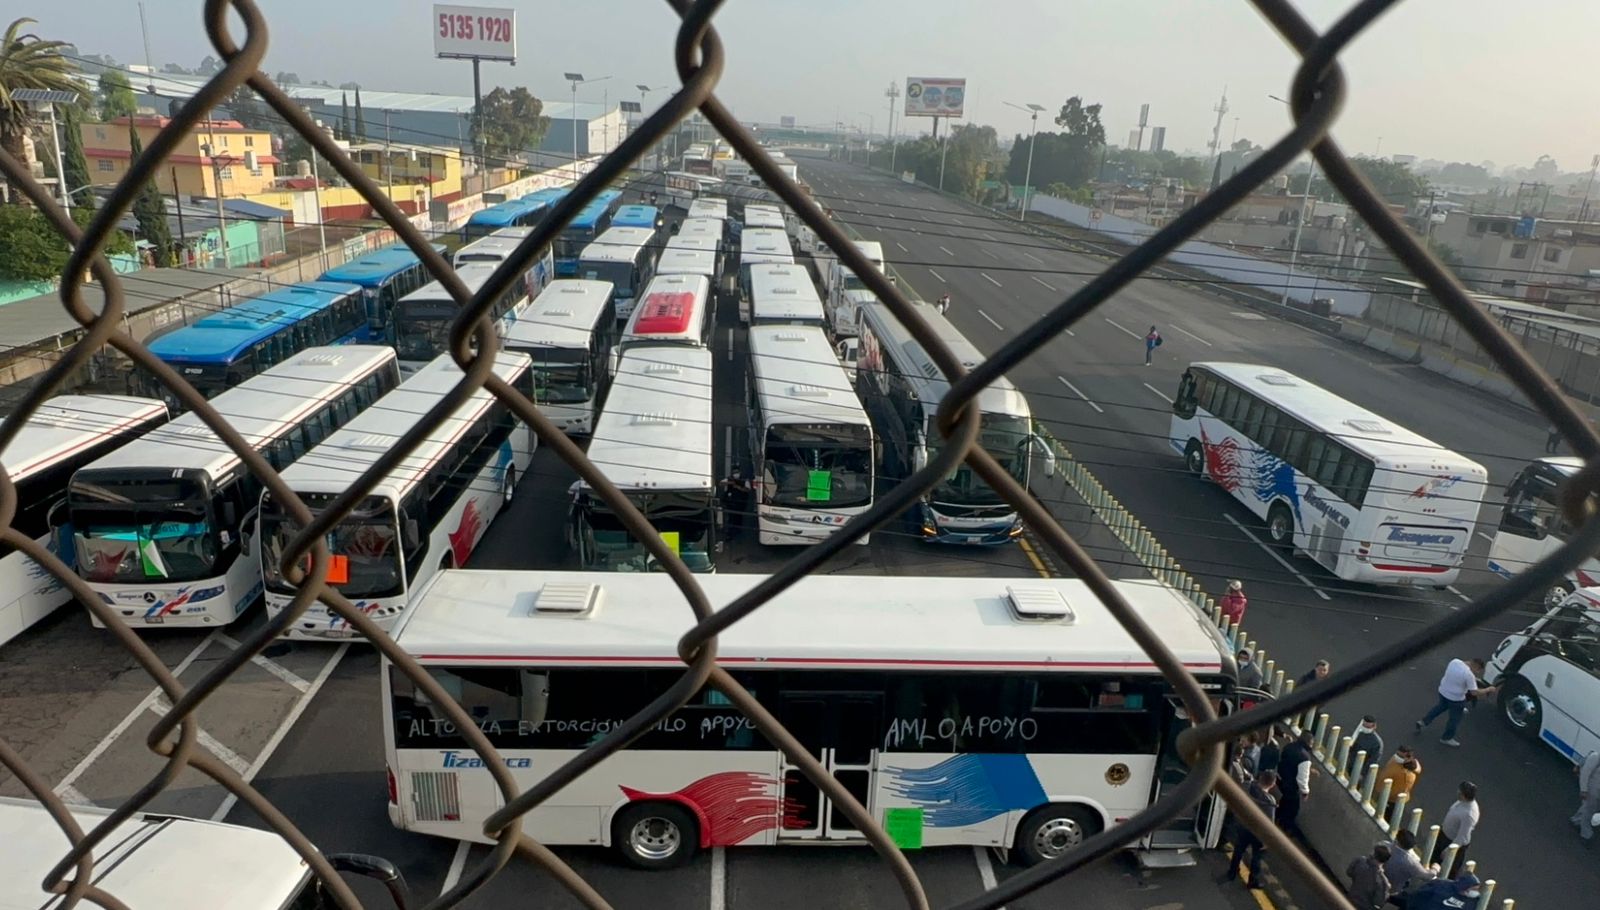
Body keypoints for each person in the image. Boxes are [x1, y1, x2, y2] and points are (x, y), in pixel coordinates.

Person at [1415, 657, 1497, 747]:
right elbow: (1474, 692)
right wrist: (1488, 689)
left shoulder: (1455, 662)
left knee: (1439, 707)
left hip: (1443, 691)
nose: (1476, 673)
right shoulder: (1469, 675)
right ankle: (1446, 738)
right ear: (1476, 666)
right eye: (1477, 670)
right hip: (1455, 699)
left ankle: (1424, 721)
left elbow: (1458, 676)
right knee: (1454, 719)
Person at [1225, 769, 1278, 888]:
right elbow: (1269, 823)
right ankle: (1252, 880)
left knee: (1239, 849)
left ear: (1260, 777)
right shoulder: (1270, 801)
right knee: (1257, 856)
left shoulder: (1247, 786)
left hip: (1242, 825)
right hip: (1257, 832)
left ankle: (1232, 872)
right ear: (1273, 784)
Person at [1431, 781, 1479, 878]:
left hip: (1452, 843)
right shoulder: (1461, 802)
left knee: (1449, 870)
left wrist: (1449, 850)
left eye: (1459, 791)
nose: (1457, 792)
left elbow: (1462, 836)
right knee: (1434, 861)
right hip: (1444, 836)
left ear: (1463, 795)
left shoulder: (1469, 814)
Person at [1276, 730, 1316, 839]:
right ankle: (1284, 828)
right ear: (1309, 743)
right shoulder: (1305, 758)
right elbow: (1302, 778)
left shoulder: (1290, 746)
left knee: (1285, 801)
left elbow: (1287, 760)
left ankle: (1276, 816)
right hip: (1290, 785)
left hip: (1280, 778)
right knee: (1293, 808)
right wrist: (1305, 791)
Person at [1382, 828, 1435, 906]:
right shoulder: (1410, 862)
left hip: (1375, 881)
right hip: (1392, 891)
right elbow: (1427, 876)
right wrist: (1435, 869)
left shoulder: (1383, 845)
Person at [1346, 844, 1392, 910]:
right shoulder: (1382, 881)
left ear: (1373, 853)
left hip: (1350, 898)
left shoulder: (1360, 860)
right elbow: (1378, 902)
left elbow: (1349, 872)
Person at [1377, 747, 1421, 815]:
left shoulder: (1406, 774)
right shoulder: (1396, 761)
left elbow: (1399, 790)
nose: (1397, 756)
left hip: (1392, 799)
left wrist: (1385, 795)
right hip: (1388, 794)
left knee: (1387, 814)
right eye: (1397, 754)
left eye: (1400, 756)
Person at [1406, 872, 1481, 910]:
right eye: (1474, 889)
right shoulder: (1440, 885)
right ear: (1465, 888)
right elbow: (1418, 895)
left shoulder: (1474, 901)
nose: (1476, 892)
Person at [717, 468, 752, 549]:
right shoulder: (730, 479)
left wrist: (738, 487)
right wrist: (731, 482)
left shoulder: (744, 480)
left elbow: (747, 489)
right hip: (731, 502)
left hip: (741, 502)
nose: (736, 474)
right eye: (734, 473)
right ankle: (730, 533)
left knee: (739, 517)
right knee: (731, 518)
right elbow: (721, 483)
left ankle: (738, 530)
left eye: (737, 472)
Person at [1573, 749, 1600, 842]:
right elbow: (1585, 773)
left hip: (1597, 792)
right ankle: (1586, 834)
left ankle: (1576, 820)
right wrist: (1583, 790)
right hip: (1592, 790)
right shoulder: (1596, 757)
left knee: (1590, 808)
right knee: (1589, 812)